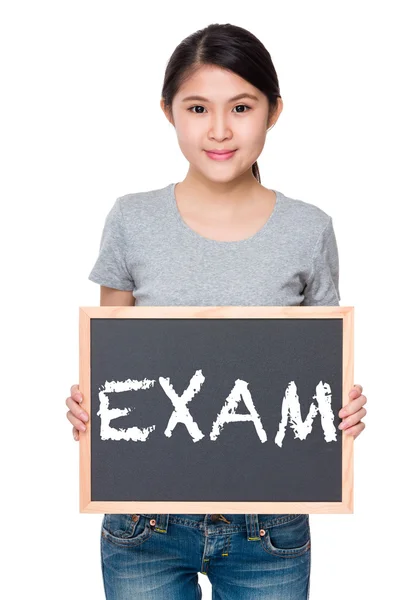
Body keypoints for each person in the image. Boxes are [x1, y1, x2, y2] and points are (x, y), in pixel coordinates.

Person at [66, 22, 367, 600]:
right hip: (142, 522)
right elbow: (111, 358)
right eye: (199, 107)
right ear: (169, 111)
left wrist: (342, 412)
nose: (221, 130)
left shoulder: (309, 229)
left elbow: (320, 373)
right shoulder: (131, 220)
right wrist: (89, 403)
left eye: (242, 107)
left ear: (274, 111)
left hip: (269, 526)